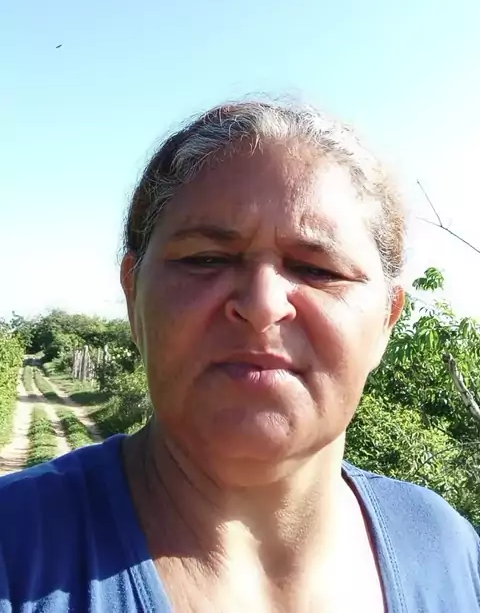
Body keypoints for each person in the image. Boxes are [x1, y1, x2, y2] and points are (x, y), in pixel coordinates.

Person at [0, 98, 479, 613]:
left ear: (387, 319)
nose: (262, 305)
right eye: (206, 259)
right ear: (133, 295)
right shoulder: (15, 550)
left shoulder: (448, 554)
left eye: (318, 270)